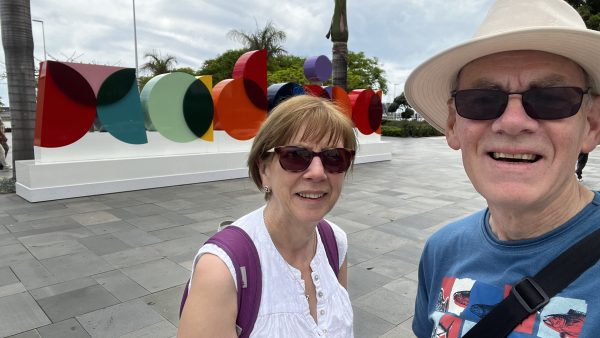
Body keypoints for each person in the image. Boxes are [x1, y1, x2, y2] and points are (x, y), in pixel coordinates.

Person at [404, 0, 600, 336]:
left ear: (592, 125)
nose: (511, 122)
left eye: (551, 98)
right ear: (453, 124)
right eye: (481, 99)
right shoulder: (442, 249)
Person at [177, 95, 357, 337]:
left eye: (334, 157)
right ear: (264, 171)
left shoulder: (334, 241)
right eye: (295, 155)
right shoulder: (220, 270)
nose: (317, 172)